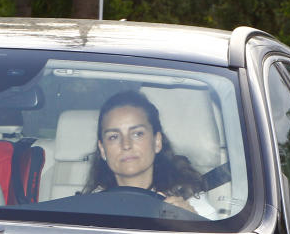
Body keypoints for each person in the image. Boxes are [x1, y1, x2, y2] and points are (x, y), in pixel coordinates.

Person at [84, 90, 212, 215]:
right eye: (113, 137)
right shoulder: (92, 206)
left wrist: (192, 222)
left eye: (137, 134)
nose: (126, 145)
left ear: (157, 142)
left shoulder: (189, 201)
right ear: (102, 150)